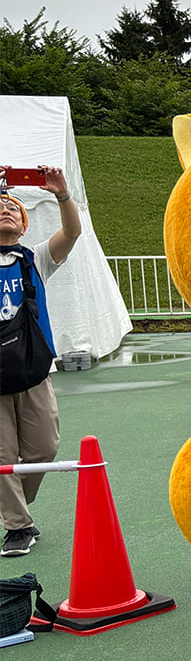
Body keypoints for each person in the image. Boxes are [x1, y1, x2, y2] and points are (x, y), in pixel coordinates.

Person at [0, 164, 81, 558]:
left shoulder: (35, 259)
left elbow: (71, 233)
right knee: (1, 458)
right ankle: (17, 526)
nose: (6, 210)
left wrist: (61, 193)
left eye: (12, 208)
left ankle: (12, 504)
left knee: (44, 450)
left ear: (24, 225)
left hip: (34, 372)